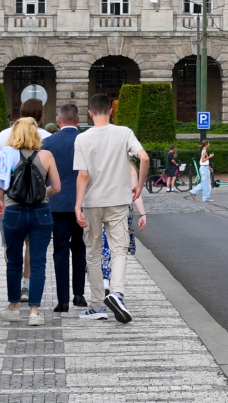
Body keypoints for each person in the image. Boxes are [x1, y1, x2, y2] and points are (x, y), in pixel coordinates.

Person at [74, 93, 148, 324]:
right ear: (111, 111)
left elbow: (83, 175)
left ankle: (97, 305)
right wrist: (140, 186)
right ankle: (117, 293)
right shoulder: (123, 132)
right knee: (119, 250)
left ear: (90, 113)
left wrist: (77, 206)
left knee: (93, 252)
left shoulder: (82, 139)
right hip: (118, 200)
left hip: (92, 202)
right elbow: (143, 158)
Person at [0, 117, 62, 325]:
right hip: (41, 211)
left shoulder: (7, 153)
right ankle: (34, 312)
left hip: (14, 211)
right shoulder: (47, 155)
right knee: (38, 262)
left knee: (14, 261)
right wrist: (40, 194)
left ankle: (14, 308)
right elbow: (57, 187)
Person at [40, 103, 88, 312]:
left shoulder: (48, 142)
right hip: (83, 202)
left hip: (57, 203)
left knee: (60, 250)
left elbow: (41, 175)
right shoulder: (86, 141)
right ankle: (79, 294)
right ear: (78, 120)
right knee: (80, 248)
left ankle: (63, 300)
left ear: (59, 121)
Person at [100, 164, 146, 292]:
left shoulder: (101, 162)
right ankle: (116, 285)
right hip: (122, 208)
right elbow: (135, 192)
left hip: (101, 205)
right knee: (118, 247)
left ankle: (105, 278)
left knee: (103, 243)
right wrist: (142, 213)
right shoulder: (128, 167)